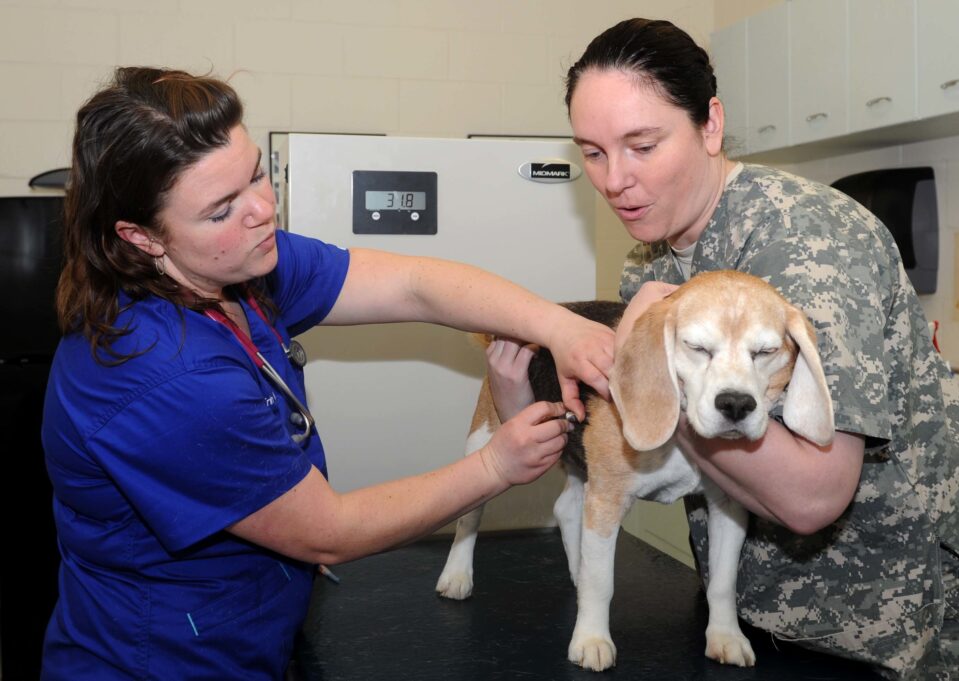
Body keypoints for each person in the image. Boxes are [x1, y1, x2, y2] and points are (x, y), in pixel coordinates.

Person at [40, 66, 614, 680]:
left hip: (250, 637)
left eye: (256, 172)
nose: (264, 209)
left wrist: (561, 327)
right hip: (162, 665)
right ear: (141, 238)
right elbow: (329, 531)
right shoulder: (163, 376)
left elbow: (414, 286)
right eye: (221, 209)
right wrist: (494, 466)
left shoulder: (236, 266)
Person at [556, 17, 959, 681]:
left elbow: (812, 496)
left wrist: (662, 383)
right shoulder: (652, 256)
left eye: (642, 144)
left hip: (920, 629)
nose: (614, 179)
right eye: (594, 152)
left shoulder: (808, 242)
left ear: (710, 125)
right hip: (772, 619)